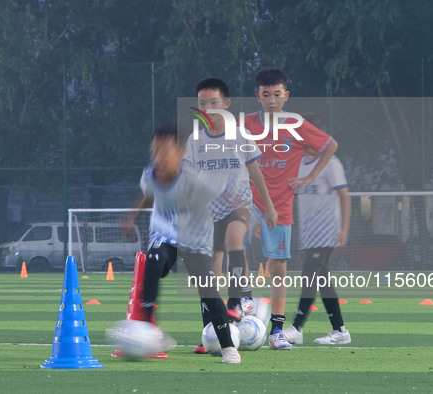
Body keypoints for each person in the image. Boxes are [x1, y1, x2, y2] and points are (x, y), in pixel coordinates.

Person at [243, 68, 338, 350]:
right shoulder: (246, 123)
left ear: (286, 96)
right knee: (234, 245)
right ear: (257, 96)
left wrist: (310, 177)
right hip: (248, 200)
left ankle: (276, 332)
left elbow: (331, 145)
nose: (271, 100)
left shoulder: (297, 125)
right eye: (265, 94)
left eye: (276, 94)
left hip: (280, 206)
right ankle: (244, 300)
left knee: (278, 269)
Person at [135, 122, 242, 363]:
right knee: (152, 262)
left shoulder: (196, 179)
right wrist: (132, 214)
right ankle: (148, 333)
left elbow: (223, 191)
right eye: (155, 151)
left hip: (195, 241)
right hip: (164, 236)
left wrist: (234, 200)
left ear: (181, 154)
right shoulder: (149, 176)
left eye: (165, 152)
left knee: (209, 293)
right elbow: (147, 194)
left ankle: (228, 348)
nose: (158, 158)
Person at [184, 77, 277, 354]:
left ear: (226, 104)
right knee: (209, 270)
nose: (209, 108)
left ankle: (238, 300)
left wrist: (269, 206)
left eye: (214, 103)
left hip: (238, 206)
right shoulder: (195, 140)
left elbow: (256, 172)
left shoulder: (240, 135)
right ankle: (209, 331)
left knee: (235, 239)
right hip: (205, 212)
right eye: (203, 104)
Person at [282, 114, 352, 345]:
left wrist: (344, 229)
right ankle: (340, 330)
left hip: (327, 233)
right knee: (323, 282)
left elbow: (344, 196)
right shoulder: (298, 164)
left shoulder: (332, 163)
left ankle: (296, 328)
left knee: (309, 276)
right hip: (308, 235)